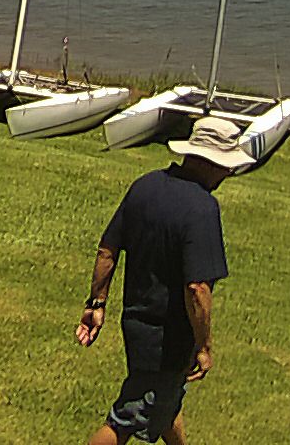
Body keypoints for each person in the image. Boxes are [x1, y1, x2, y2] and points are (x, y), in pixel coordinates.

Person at [77, 116, 249, 445]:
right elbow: (197, 288)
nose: (228, 173)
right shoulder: (202, 208)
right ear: (211, 163)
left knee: (165, 402)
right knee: (126, 419)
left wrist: (96, 304)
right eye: (227, 166)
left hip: (136, 326)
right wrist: (203, 345)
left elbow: (107, 250)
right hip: (167, 340)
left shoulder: (145, 186)